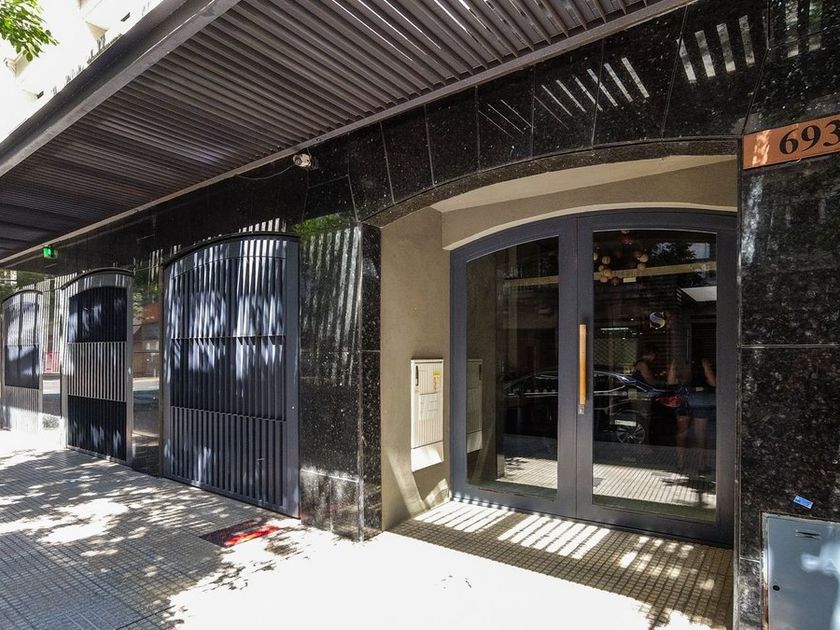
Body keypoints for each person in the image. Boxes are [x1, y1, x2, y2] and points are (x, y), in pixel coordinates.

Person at [675, 357, 716, 474]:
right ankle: (701, 465)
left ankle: (680, 463)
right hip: (701, 399)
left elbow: (671, 382)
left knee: (682, 432)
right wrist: (706, 366)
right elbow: (713, 382)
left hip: (684, 399)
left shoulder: (682, 365)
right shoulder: (704, 364)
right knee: (700, 433)